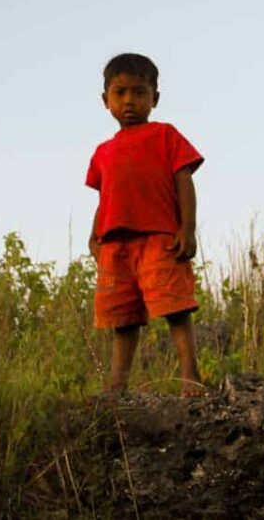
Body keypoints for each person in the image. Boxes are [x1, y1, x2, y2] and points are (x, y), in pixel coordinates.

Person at [85, 52, 205, 397]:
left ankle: (190, 377)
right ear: (105, 99)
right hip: (115, 247)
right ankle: (117, 386)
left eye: (139, 92)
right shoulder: (103, 151)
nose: (129, 101)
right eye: (120, 92)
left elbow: (184, 181)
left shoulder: (166, 136)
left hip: (160, 239)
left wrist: (188, 227)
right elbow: (105, 196)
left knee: (176, 307)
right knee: (122, 319)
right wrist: (94, 235)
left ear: (155, 98)